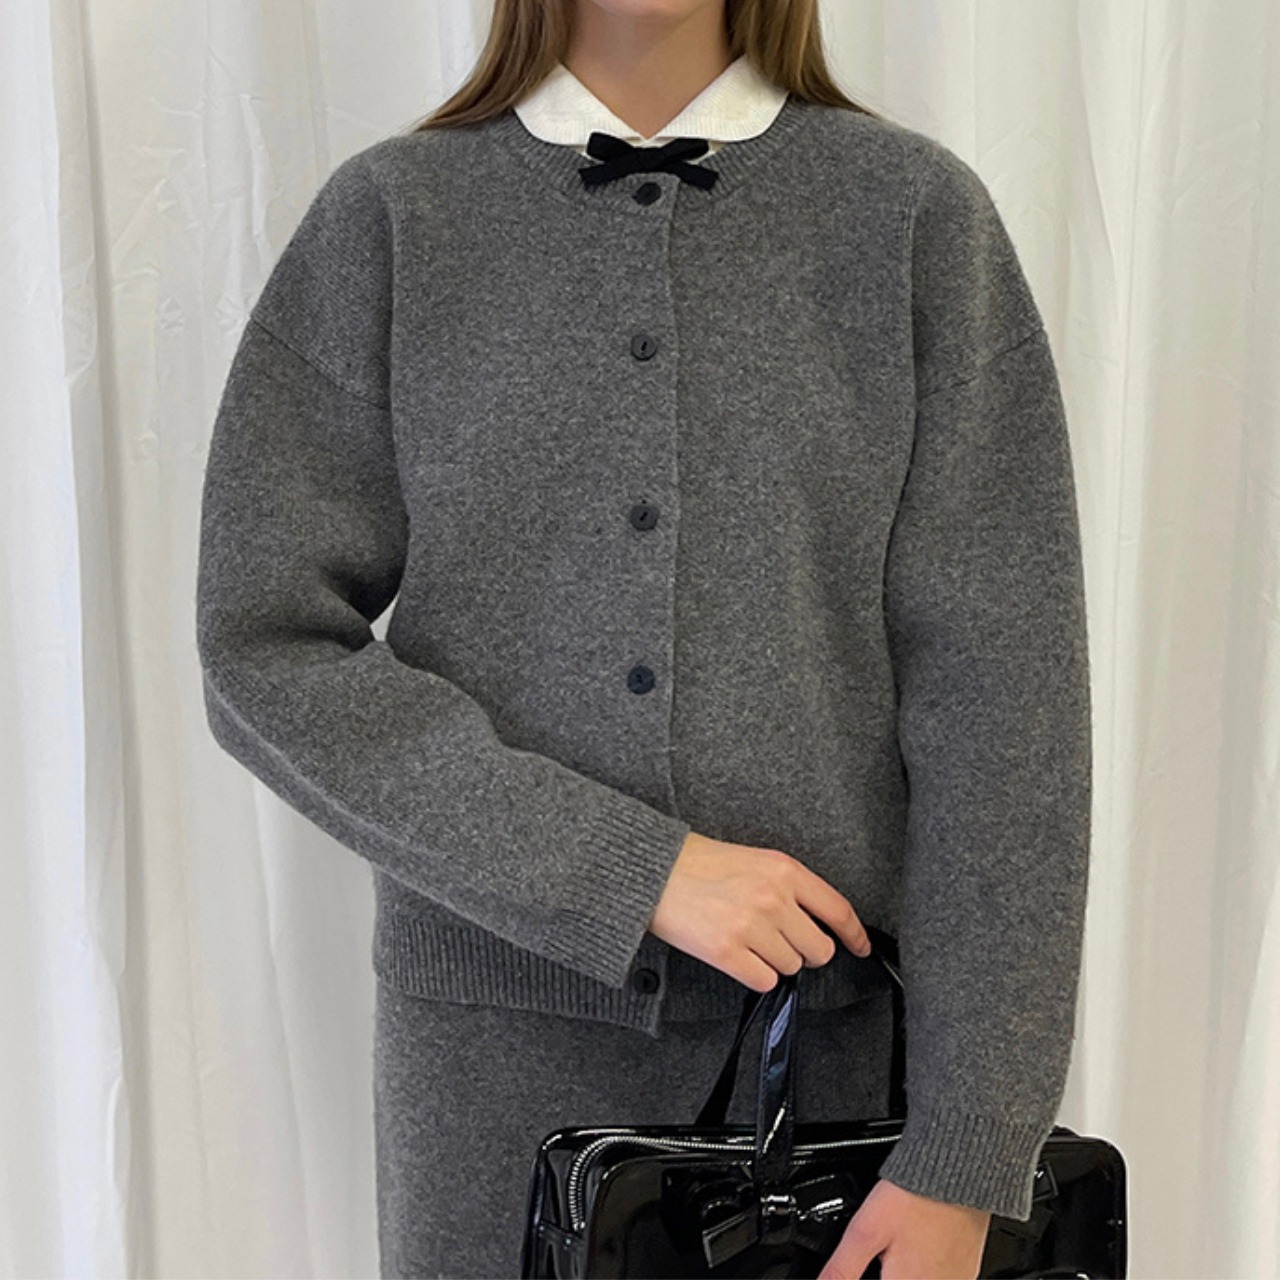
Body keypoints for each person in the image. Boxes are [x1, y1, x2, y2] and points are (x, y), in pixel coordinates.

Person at [195, 0, 1093, 1276]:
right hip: (490, 1078)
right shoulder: (394, 219)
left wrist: (963, 1151)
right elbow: (266, 645)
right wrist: (630, 871)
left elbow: (1007, 708)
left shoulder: (910, 221)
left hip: (840, 1082)